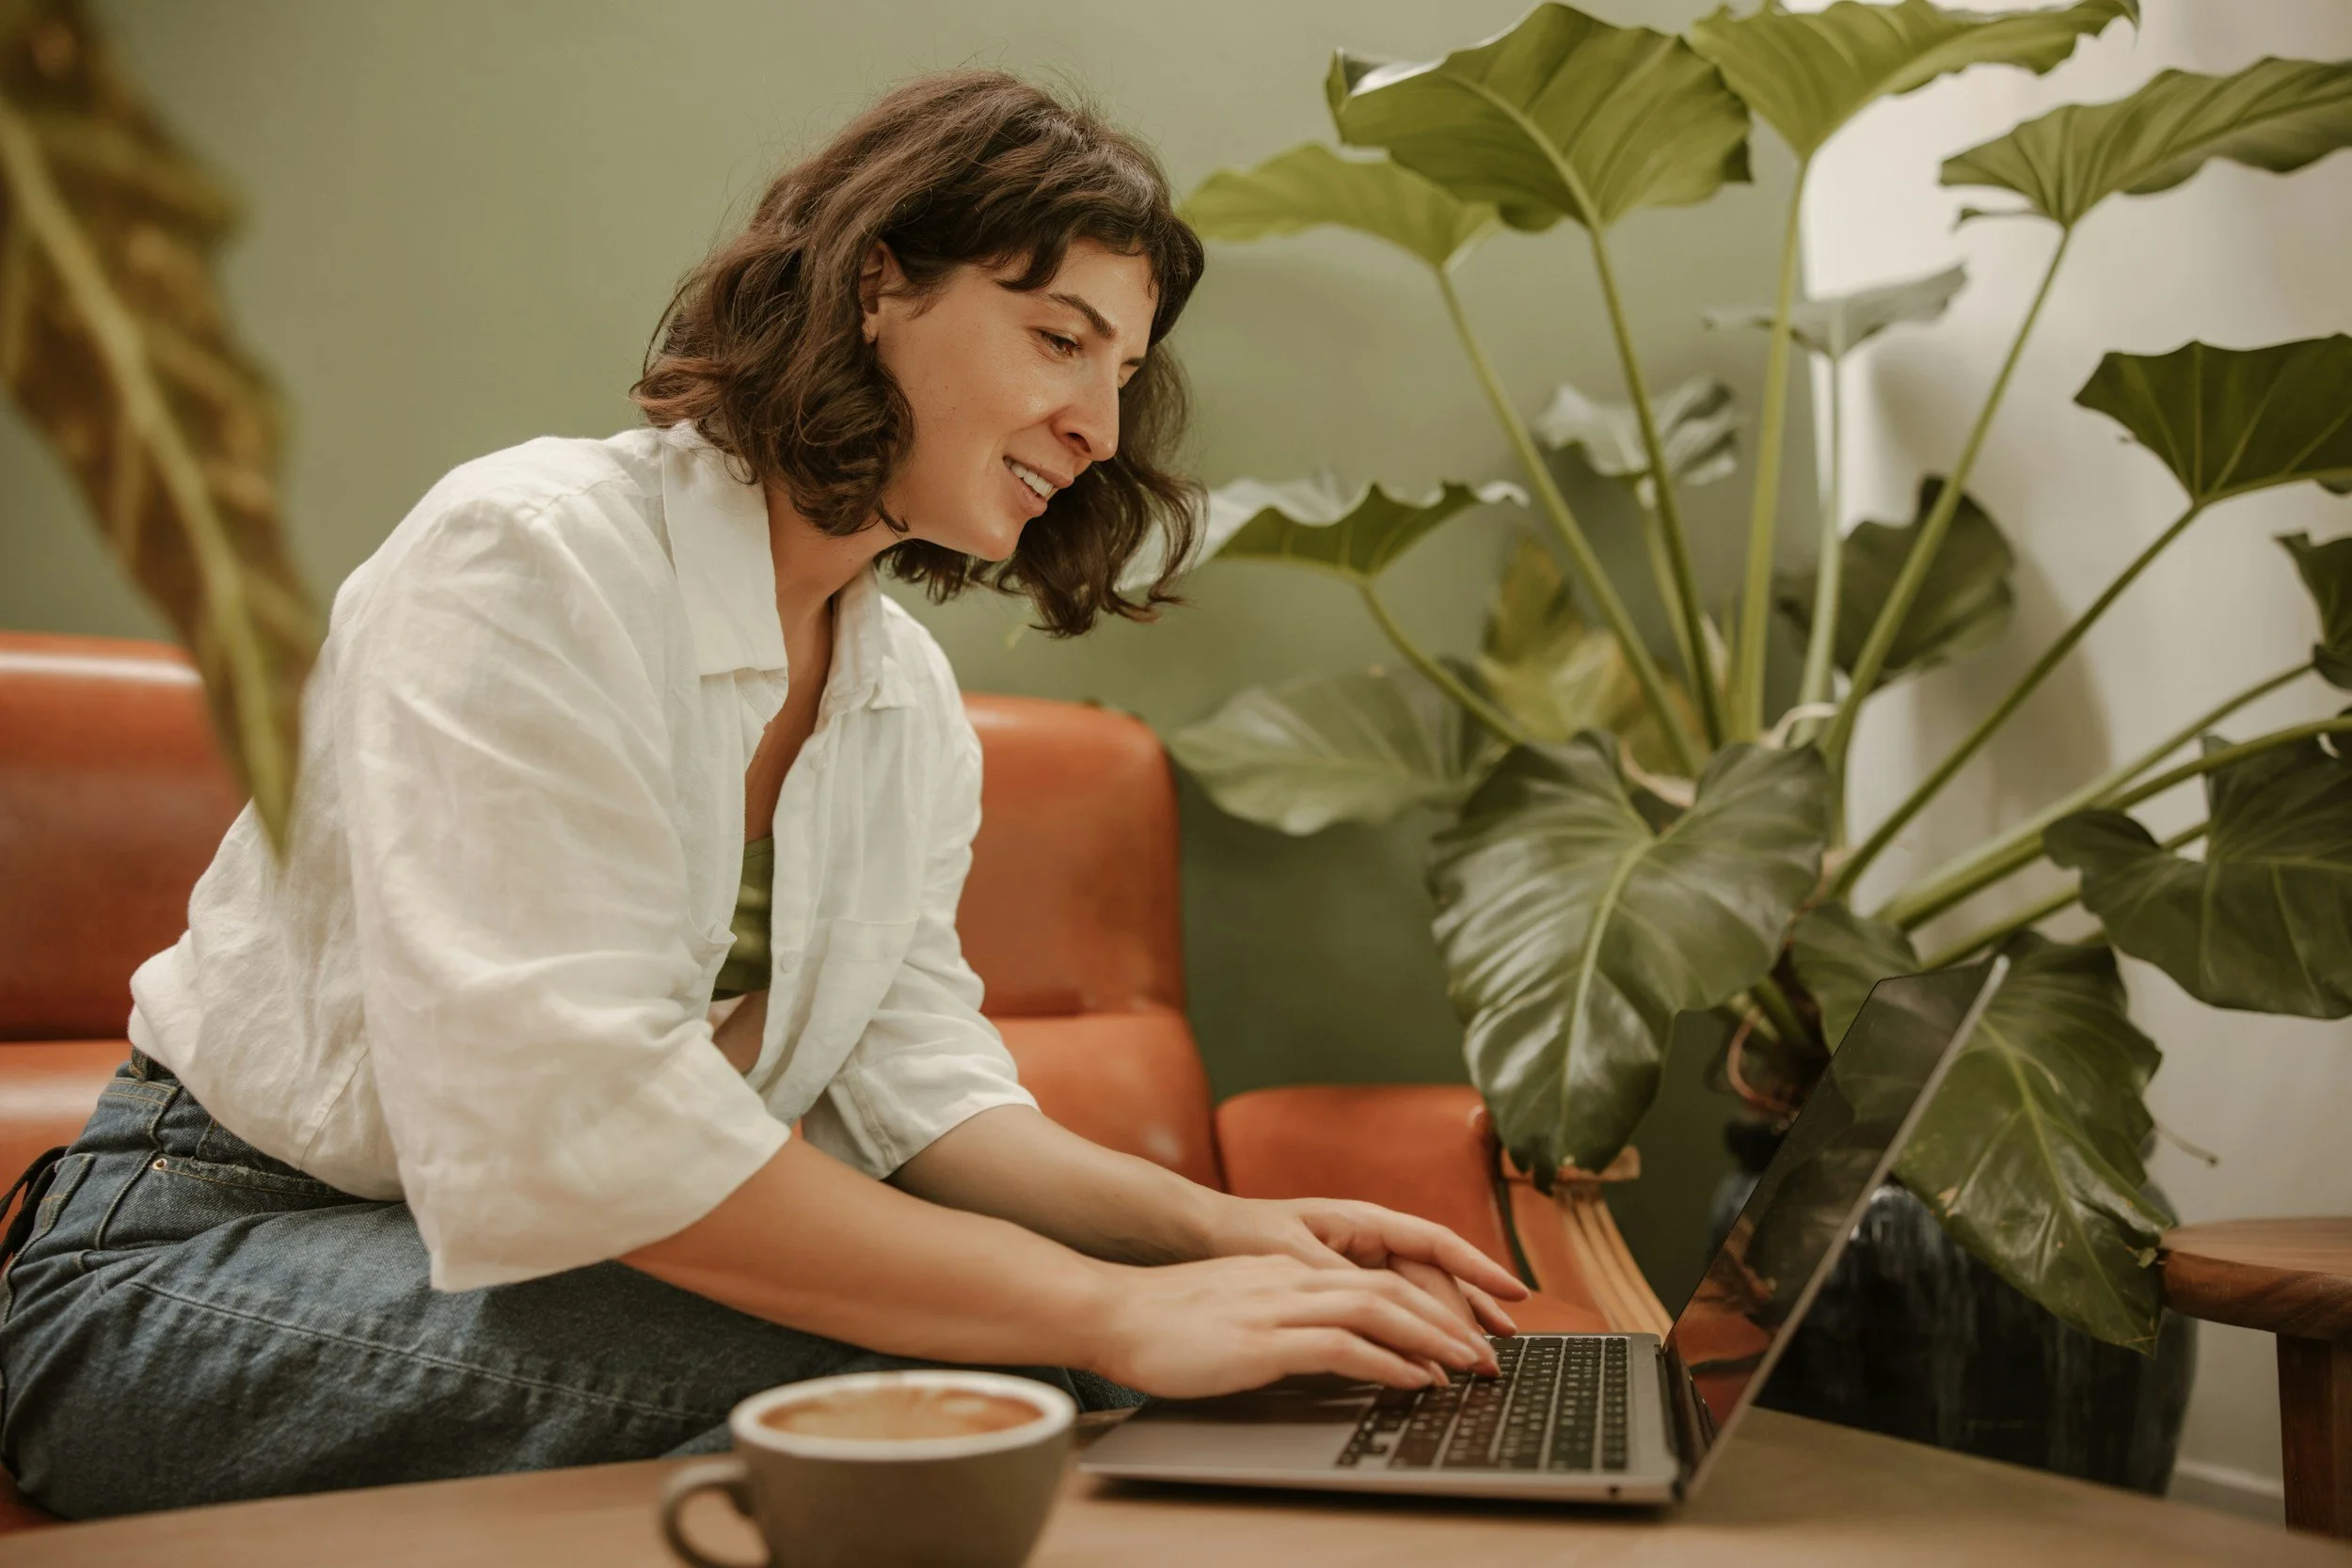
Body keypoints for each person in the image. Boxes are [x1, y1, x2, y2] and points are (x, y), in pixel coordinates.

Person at [0, 70, 1524, 1520]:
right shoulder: (528, 560)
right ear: (879, 285)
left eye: (1123, 375)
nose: (1101, 429)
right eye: (1060, 339)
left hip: (501, 1265)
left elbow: (911, 1081)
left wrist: (1217, 1227)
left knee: (1032, 1363)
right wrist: (1116, 1309)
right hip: (186, 1260)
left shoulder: (902, 698)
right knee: (992, 1372)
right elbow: (571, 1118)